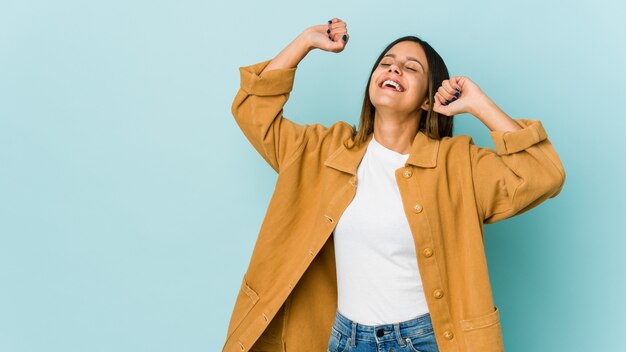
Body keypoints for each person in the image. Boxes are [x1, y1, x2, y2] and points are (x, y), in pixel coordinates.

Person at [222, 18, 565, 352]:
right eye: (386, 63)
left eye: (411, 68)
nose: (394, 69)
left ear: (428, 100)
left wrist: (479, 104)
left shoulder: (457, 164)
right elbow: (253, 109)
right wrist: (305, 42)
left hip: (424, 339)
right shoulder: (323, 152)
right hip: (345, 339)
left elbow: (543, 173)